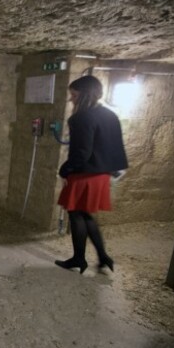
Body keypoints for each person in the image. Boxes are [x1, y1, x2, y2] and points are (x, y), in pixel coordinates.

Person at [55, 75, 128, 274]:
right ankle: (103, 256)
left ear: (85, 95)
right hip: (102, 174)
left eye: (74, 95)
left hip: (84, 174)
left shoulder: (81, 118)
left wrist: (64, 170)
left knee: (76, 215)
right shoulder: (109, 114)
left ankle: (79, 258)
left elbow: (81, 153)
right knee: (87, 215)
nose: (71, 99)